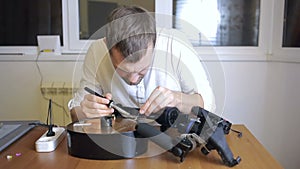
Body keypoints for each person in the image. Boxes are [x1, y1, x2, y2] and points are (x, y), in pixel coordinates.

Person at [68, 5, 215, 122]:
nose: (133, 80)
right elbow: (75, 114)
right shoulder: (96, 51)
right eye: (123, 70)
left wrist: (178, 99)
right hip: (123, 142)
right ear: (107, 46)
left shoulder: (176, 46)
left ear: (154, 42)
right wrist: (85, 111)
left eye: (142, 69)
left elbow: (208, 105)